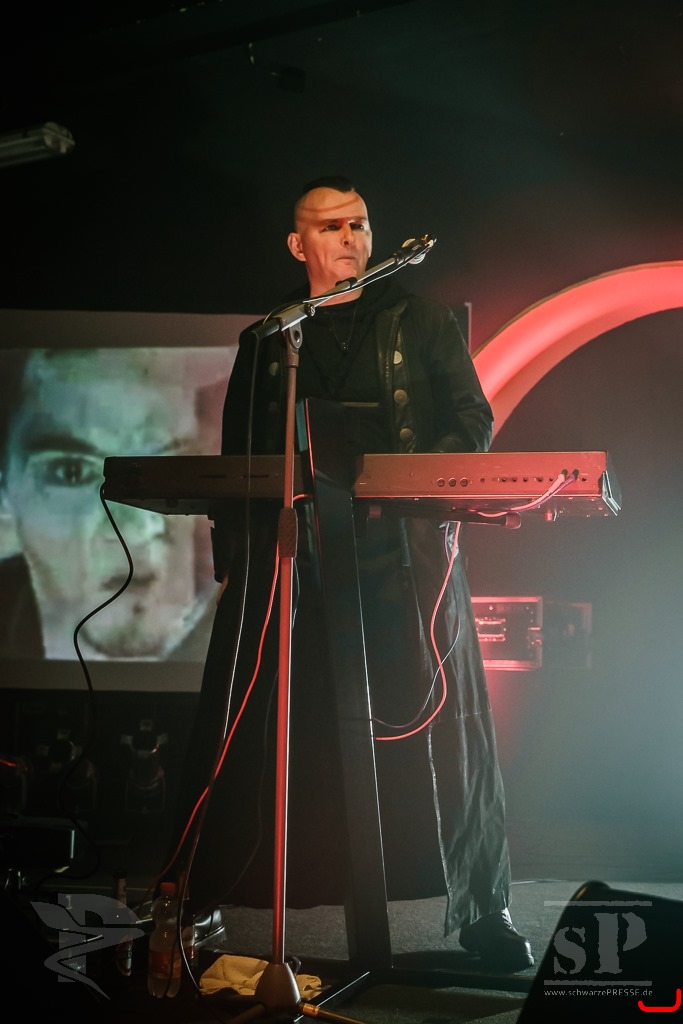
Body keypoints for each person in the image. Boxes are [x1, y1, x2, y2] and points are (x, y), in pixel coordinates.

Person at [169, 176, 533, 971]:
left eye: (359, 225)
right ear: (297, 244)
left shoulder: (423, 321)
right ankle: (193, 901)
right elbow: (240, 457)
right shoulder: (270, 339)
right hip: (294, 555)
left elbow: (471, 418)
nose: (349, 239)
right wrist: (236, 560)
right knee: (240, 711)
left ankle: (485, 908)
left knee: (455, 722)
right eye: (330, 227)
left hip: (404, 555)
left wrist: (418, 481)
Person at [0, 346, 227, 661]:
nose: (136, 530)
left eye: (174, 467)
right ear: (5, 491)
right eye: (72, 472)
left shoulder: (266, 632)